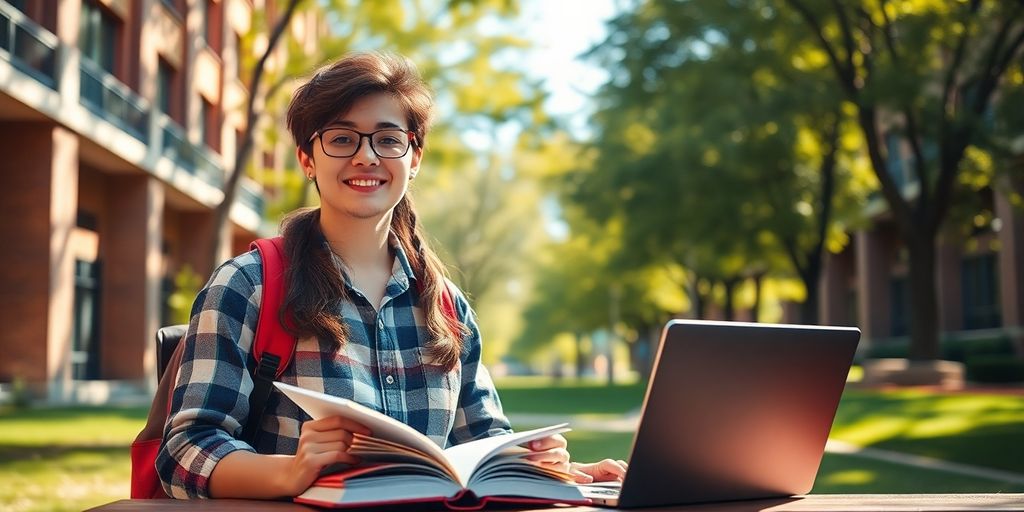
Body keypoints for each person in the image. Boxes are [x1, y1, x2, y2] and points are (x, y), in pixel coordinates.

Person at [157, 51, 627, 499]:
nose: (366, 157)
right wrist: (292, 471)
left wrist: (545, 467)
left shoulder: (447, 306)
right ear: (307, 159)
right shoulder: (249, 284)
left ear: (414, 158)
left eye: (388, 139)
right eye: (342, 138)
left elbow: (482, 442)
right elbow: (185, 450)